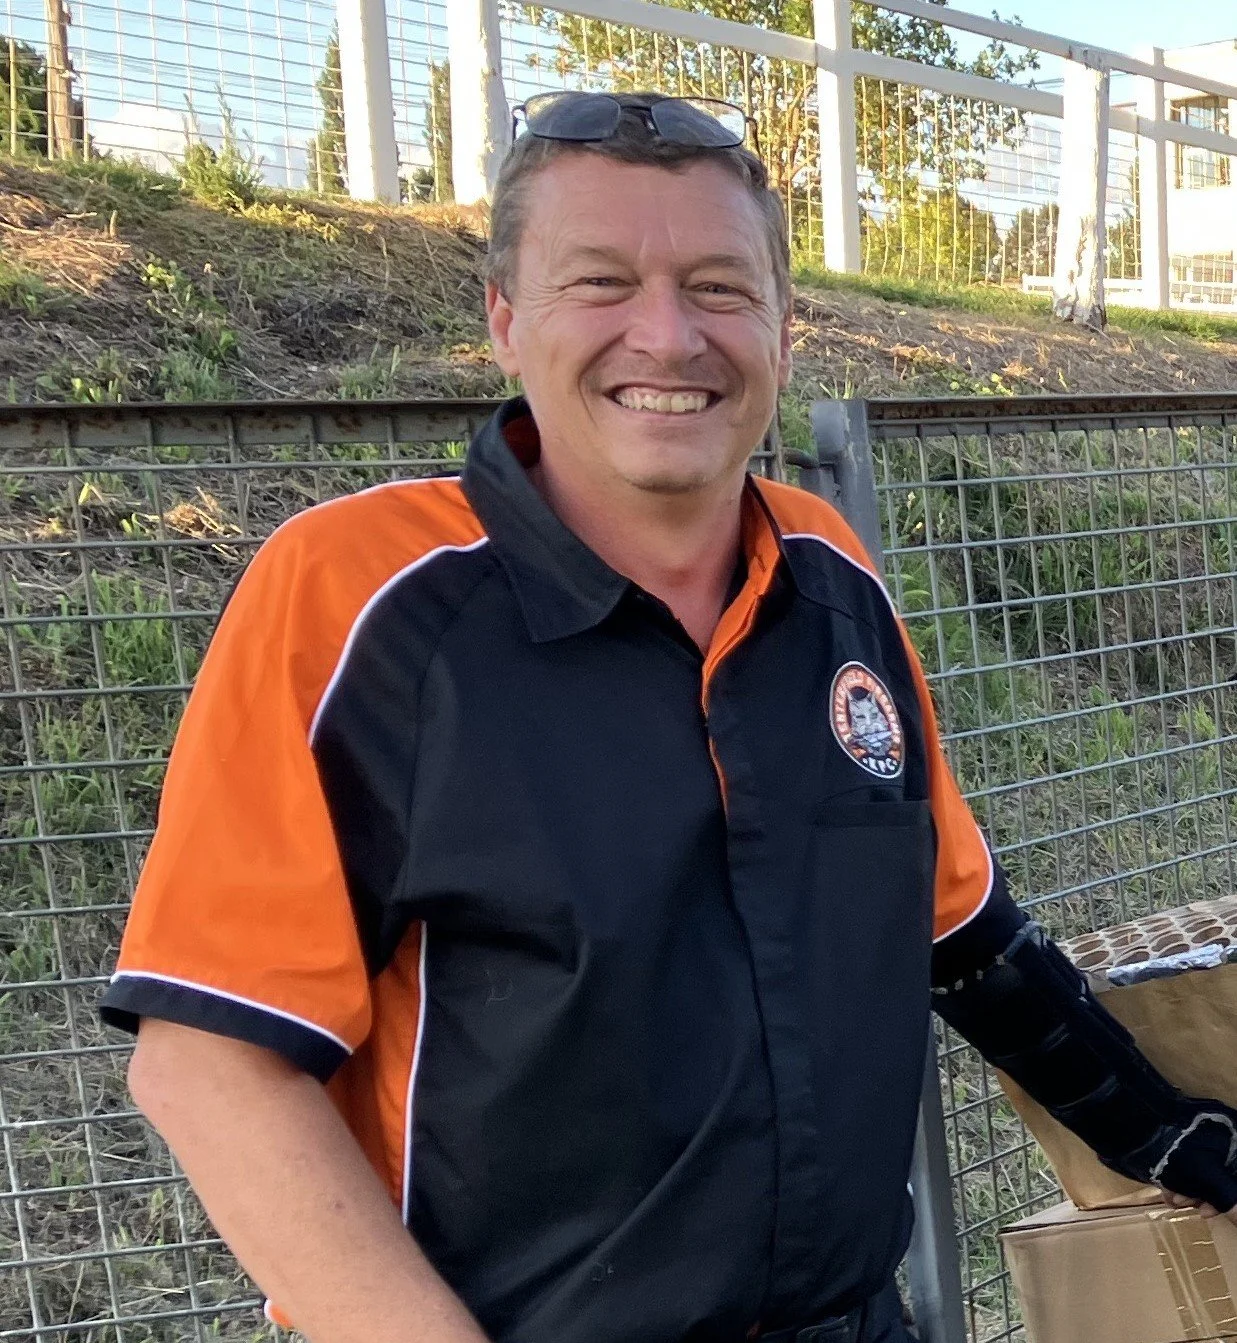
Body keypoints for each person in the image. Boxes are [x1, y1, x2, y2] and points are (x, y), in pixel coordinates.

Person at [102, 91, 1237, 1343]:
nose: (667, 333)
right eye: (599, 280)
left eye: (717, 285)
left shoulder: (828, 572)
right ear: (504, 320)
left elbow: (959, 929)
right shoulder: (358, 599)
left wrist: (1164, 1129)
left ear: (781, 328)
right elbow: (211, 1062)